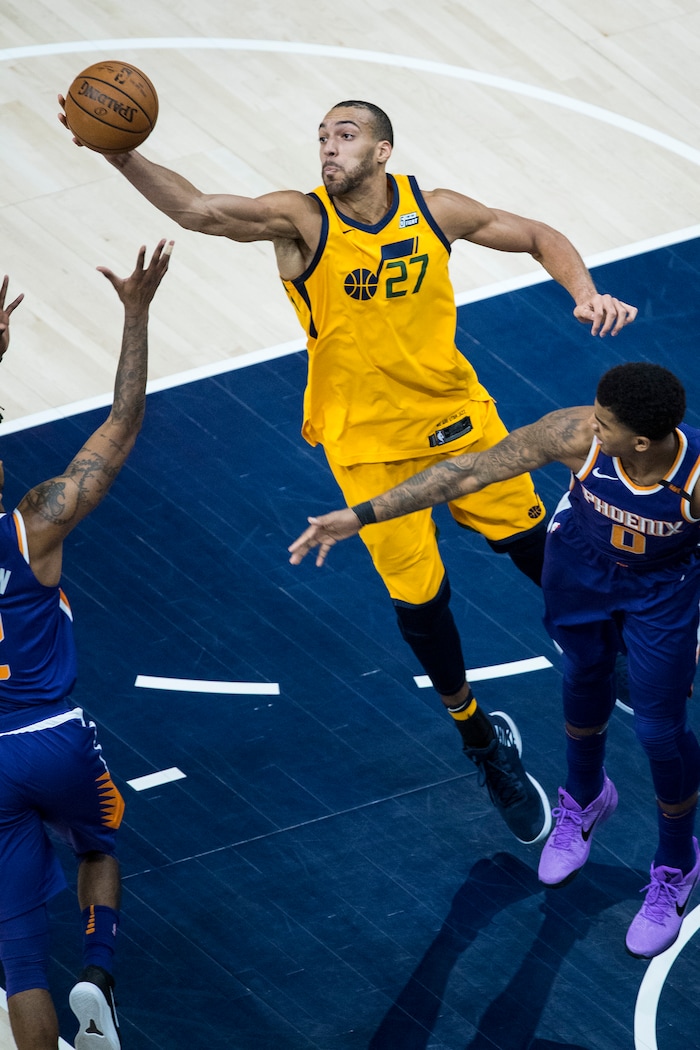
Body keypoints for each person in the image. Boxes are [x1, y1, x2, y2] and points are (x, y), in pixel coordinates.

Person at [59, 97, 637, 846]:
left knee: (539, 550)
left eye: (346, 134)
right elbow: (201, 210)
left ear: (384, 150)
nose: (328, 147)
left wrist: (584, 291)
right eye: (322, 136)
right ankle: (480, 742)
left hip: (458, 418)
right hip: (366, 445)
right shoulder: (303, 221)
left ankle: (606, 649)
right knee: (424, 607)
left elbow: (535, 234)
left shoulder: (435, 211)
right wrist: (120, 154)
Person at [288, 360, 700, 958]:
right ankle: (584, 799)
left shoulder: (691, 482)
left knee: (661, 731)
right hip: (583, 570)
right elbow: (470, 471)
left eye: (605, 423)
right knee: (583, 681)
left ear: (640, 441)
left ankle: (675, 865)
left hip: (662, 592)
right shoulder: (576, 435)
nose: (592, 425)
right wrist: (361, 514)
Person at [0, 240, 172, 1049]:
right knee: (99, 845)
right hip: (55, 738)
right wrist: (135, 313)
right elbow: (123, 421)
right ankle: (98, 974)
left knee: (18, 964)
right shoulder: (36, 521)